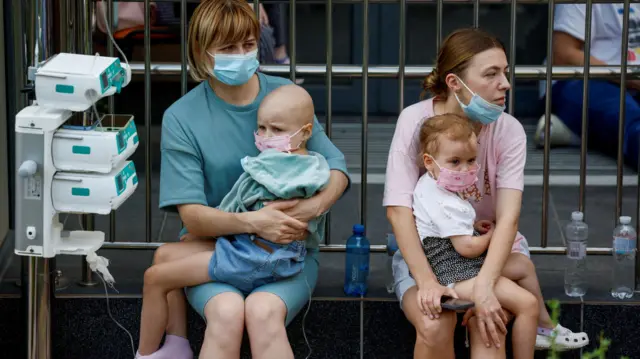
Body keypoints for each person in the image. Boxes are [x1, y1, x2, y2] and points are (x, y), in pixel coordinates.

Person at [143, 1, 350, 358]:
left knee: (263, 312)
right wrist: (254, 222)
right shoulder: (182, 117)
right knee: (225, 314)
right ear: (201, 52)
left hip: (289, 251)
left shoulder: (284, 96)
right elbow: (191, 216)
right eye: (227, 48)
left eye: (248, 44)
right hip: (214, 247)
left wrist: (307, 211)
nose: (240, 55)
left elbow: (337, 167)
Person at [384, 27, 587, 359]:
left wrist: (485, 286)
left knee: (490, 324)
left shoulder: (509, 130)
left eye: (505, 72)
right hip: (431, 257)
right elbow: (397, 211)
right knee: (435, 325)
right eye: (491, 74)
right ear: (454, 83)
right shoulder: (414, 120)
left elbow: (508, 218)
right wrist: (428, 282)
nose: (505, 83)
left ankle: (541, 327)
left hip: (491, 255)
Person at [136, 84, 331, 358]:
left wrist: (205, 231)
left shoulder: (266, 168)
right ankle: (175, 346)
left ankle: (146, 353)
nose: (265, 137)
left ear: (306, 131)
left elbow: (234, 204)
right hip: (276, 254)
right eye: (261, 128)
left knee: (155, 278)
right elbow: (334, 173)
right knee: (165, 254)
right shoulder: (316, 167)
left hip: (250, 255)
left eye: (276, 130)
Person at [412, 113, 539, 358]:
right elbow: (467, 248)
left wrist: (474, 226)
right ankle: (535, 330)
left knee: (522, 265)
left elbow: (451, 228)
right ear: (429, 161)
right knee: (527, 304)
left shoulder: (434, 184)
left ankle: (543, 323)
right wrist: (493, 235)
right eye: (455, 161)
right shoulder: (442, 199)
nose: (466, 168)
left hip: (466, 266)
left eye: (471, 160)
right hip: (456, 273)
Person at [535, 3, 640, 168]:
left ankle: (577, 132)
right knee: (628, 118)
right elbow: (563, 55)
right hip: (581, 79)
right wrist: (631, 78)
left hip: (629, 82)